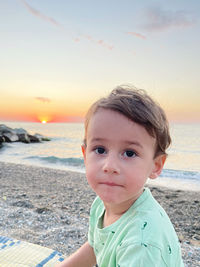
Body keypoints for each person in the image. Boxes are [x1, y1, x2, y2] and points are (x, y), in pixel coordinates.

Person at [56, 86, 184, 267]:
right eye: (100, 150)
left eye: (129, 153)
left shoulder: (142, 244)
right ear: (85, 156)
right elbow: (95, 247)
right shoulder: (101, 204)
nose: (110, 166)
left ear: (156, 165)